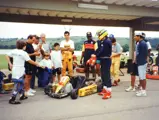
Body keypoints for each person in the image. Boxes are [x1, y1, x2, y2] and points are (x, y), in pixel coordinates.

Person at [6, 40, 39, 104]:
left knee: (21, 82)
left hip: (16, 69)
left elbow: (7, 55)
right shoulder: (24, 53)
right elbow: (29, 61)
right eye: (25, 46)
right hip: (19, 70)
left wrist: (10, 63)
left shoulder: (14, 51)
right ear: (23, 46)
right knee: (18, 84)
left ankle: (22, 95)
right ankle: (12, 98)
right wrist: (37, 64)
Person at [96, 29, 112, 99]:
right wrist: (95, 54)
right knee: (103, 75)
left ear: (103, 34)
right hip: (103, 60)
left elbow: (102, 51)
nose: (98, 36)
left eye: (99, 34)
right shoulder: (104, 41)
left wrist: (95, 55)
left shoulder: (106, 41)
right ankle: (105, 90)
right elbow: (99, 49)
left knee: (107, 76)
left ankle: (109, 92)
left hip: (106, 60)